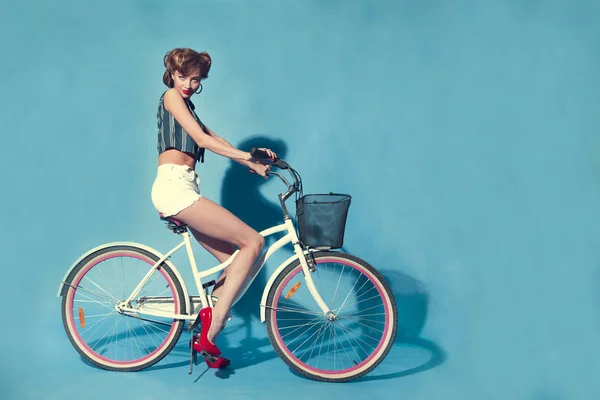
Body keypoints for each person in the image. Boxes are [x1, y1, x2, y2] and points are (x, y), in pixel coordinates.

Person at [150, 48, 276, 368]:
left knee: (237, 262)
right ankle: (216, 324)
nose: (189, 85)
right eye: (183, 77)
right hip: (174, 188)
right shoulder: (171, 98)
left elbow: (214, 137)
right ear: (172, 75)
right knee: (254, 242)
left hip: (185, 187)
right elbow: (202, 142)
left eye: (196, 80)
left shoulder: (188, 106)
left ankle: (206, 326)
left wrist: (253, 158)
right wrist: (247, 158)